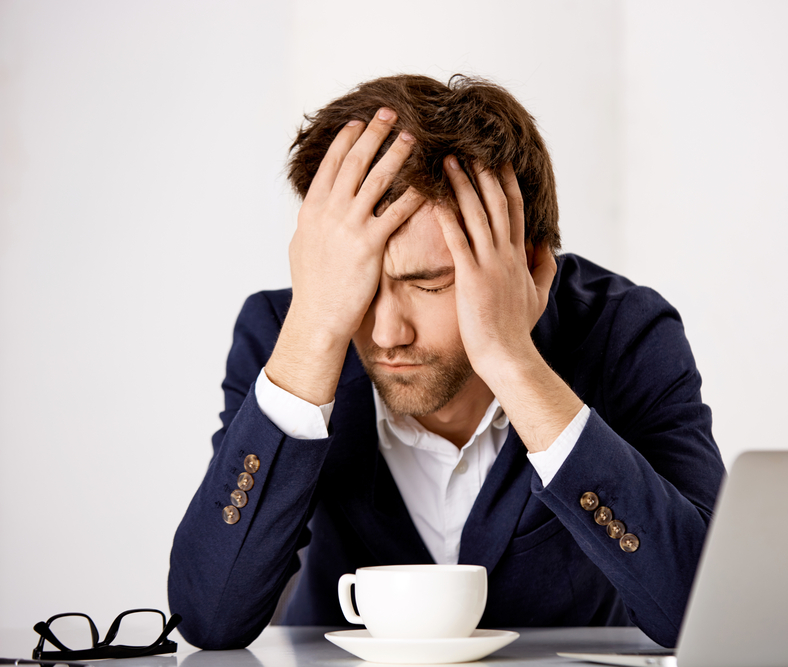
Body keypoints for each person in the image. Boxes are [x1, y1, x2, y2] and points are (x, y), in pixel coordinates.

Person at [168, 74, 726, 650]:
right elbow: (210, 619)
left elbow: (704, 615)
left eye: (429, 284)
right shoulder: (287, 336)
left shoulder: (624, 333)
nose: (387, 333)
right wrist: (313, 332)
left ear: (528, 264)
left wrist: (513, 361)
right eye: (357, 287)